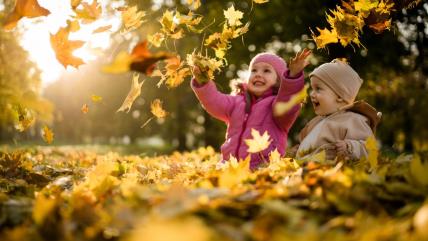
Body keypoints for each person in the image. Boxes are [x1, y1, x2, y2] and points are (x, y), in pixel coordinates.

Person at [191, 49, 311, 170]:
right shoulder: (237, 101)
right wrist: (204, 84)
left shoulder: (276, 105)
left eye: (266, 71)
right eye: (254, 70)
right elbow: (214, 102)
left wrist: (292, 78)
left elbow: (288, 104)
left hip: (262, 168)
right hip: (229, 167)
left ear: (278, 80)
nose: (258, 74)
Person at [295, 59, 381, 161]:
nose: (312, 94)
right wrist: (298, 151)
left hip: (333, 173)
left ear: (340, 96)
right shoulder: (316, 122)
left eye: (318, 89)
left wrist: (350, 147)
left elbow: (369, 148)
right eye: (312, 89)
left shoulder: (353, 120)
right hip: (308, 171)